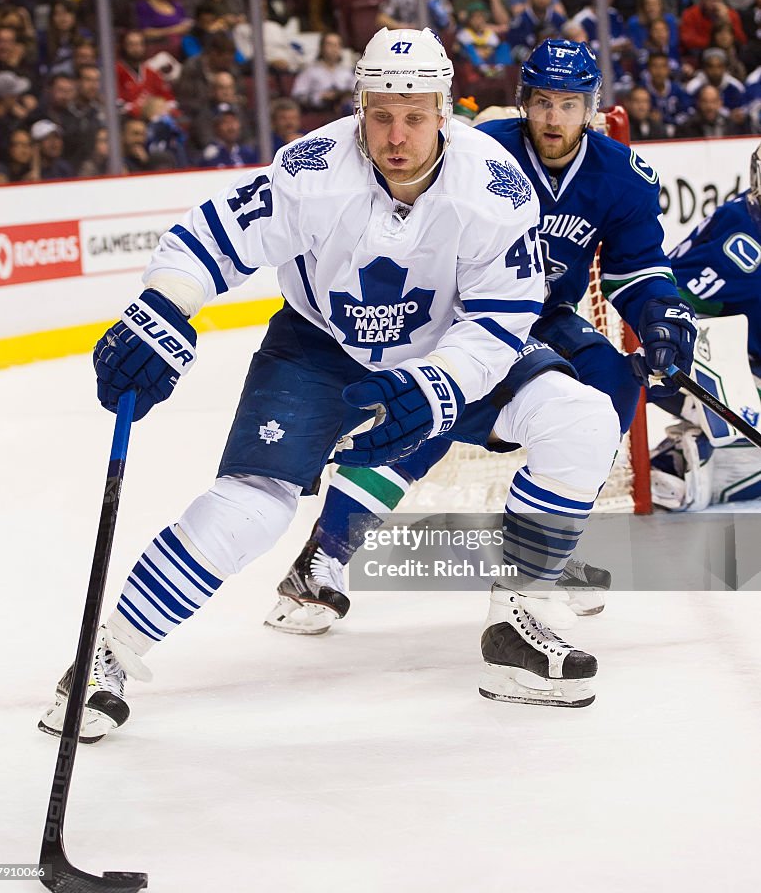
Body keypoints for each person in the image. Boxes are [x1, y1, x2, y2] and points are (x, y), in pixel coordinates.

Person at [38, 29, 623, 737]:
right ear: (358, 109)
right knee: (252, 505)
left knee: (581, 420)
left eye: (414, 115)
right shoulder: (312, 169)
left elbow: (503, 315)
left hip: (446, 345)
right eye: (380, 115)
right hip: (320, 347)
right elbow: (212, 239)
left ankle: (519, 621)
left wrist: (438, 384)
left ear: (444, 110)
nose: (396, 135)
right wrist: (163, 307)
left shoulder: (495, 186)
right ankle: (105, 654)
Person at [264, 39, 697, 644]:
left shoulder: (620, 176)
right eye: (542, 102)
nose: (554, 118)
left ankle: (550, 538)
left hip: (546, 315)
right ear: (524, 102)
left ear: (591, 109)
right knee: (433, 418)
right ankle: (324, 556)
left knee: (612, 380)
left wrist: (663, 317)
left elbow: (638, 267)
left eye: (569, 105)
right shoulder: (482, 150)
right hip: (456, 313)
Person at [649, 145, 761, 510]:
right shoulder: (744, 241)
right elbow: (667, 299)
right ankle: (681, 464)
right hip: (718, 368)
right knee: (696, 488)